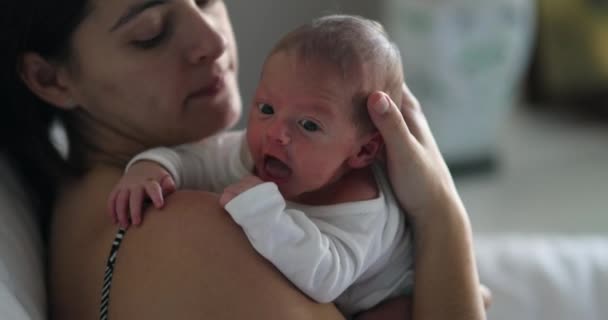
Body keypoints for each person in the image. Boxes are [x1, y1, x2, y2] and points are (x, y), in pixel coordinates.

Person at [2, 1, 487, 320]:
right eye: (150, 33)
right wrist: (441, 214)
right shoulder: (185, 230)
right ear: (50, 78)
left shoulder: (83, 209)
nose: (212, 42)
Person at [108, 15, 414, 317]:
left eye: (308, 125)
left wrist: (263, 213)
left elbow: (325, 279)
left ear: (363, 151)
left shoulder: (364, 209)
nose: (276, 133)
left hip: (381, 295)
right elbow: (192, 159)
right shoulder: (248, 153)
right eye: (267, 109)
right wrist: (151, 167)